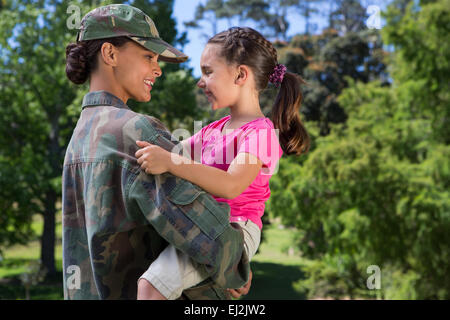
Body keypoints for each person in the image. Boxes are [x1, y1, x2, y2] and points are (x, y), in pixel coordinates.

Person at [62, 4, 251, 300]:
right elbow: (204, 230)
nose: (158, 69)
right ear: (110, 54)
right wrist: (237, 260)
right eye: (148, 56)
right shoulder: (136, 131)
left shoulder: (78, 139)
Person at [135, 26, 310, 300]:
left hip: (235, 229)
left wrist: (170, 161)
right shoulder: (213, 130)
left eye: (208, 72)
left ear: (241, 75)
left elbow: (231, 186)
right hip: (206, 222)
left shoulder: (261, 133)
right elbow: (174, 150)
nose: (199, 81)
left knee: (150, 287)